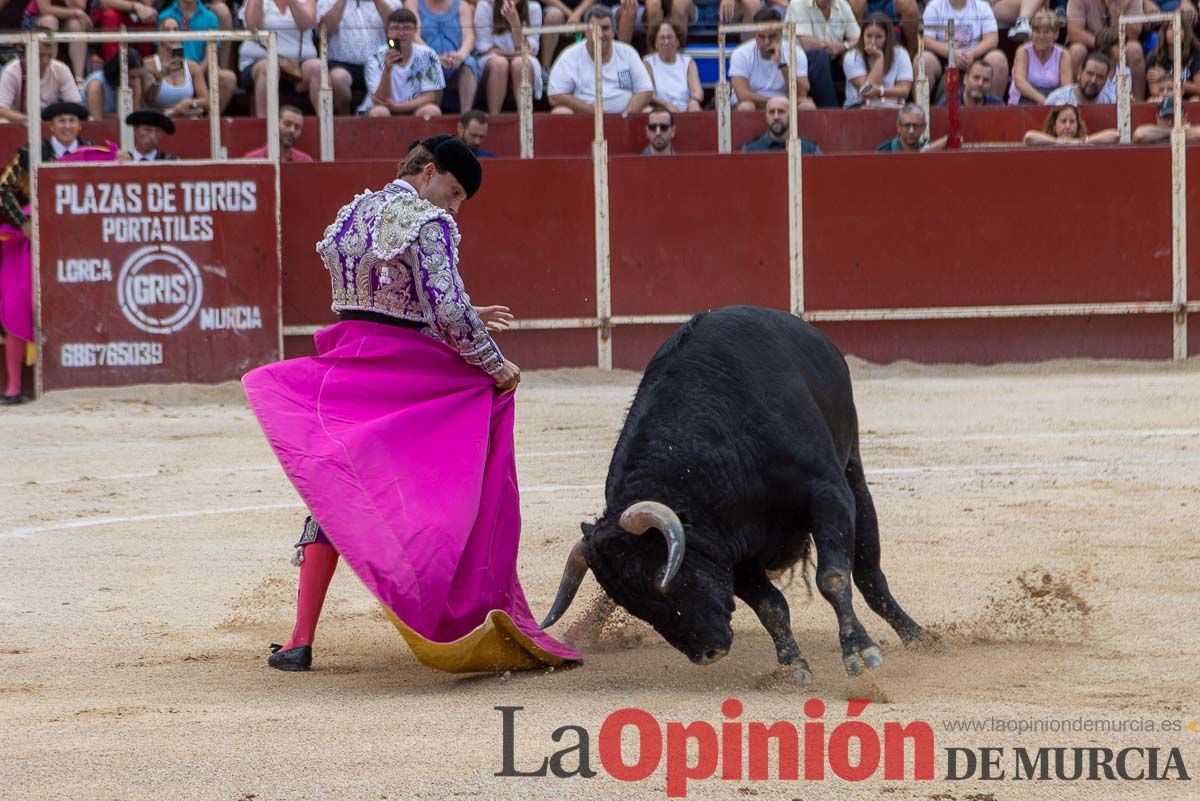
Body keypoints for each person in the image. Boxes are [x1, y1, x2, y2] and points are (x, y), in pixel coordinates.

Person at [242, 135, 580, 674]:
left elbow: (377, 300)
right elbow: (443, 311)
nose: (452, 206)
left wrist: (469, 311)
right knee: (445, 487)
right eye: (452, 191)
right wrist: (495, 365)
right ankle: (450, 607)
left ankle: (299, 640)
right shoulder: (428, 223)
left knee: (336, 490)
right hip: (404, 377)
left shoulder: (353, 215)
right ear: (428, 171)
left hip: (349, 366)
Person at [0, 101, 92, 405]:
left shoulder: (91, 152)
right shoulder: (30, 154)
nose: (67, 126)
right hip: (31, 243)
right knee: (18, 305)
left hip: (78, 245)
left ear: (80, 126)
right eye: (61, 121)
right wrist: (23, 223)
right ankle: (14, 386)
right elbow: (3, 190)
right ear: (50, 126)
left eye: (72, 121)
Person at [547, 5, 654, 115]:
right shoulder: (570, 55)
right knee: (560, 112)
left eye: (605, 28)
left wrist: (625, 116)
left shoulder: (628, 52)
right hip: (584, 118)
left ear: (613, 32)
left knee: (648, 112)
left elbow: (645, 90)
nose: (600, 34)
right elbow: (555, 96)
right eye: (595, 28)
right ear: (586, 32)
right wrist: (597, 114)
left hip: (624, 119)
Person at [239, 0, 322, 118]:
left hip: (297, 65)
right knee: (268, 67)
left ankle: (325, 124)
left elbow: (305, 23)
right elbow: (254, 27)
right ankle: (263, 125)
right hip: (259, 62)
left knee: (317, 67)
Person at [319, 0, 401, 115]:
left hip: (380, 63)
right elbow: (325, 30)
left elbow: (397, 30)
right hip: (341, 63)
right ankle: (346, 123)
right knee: (338, 79)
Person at [921, 0, 1009, 106]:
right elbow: (927, 40)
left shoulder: (982, 7)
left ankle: (995, 109)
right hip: (943, 57)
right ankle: (922, 114)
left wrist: (972, 54)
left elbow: (992, 39)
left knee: (997, 59)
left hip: (976, 57)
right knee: (923, 60)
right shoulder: (934, 7)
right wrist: (951, 54)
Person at [361, 8, 445, 117]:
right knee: (380, 112)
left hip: (415, 109)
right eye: (396, 28)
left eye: (407, 28)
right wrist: (387, 70)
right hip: (381, 109)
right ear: (388, 32)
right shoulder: (375, 57)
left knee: (432, 111)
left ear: (415, 31)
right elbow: (379, 100)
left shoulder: (427, 54)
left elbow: (430, 97)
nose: (401, 33)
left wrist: (397, 108)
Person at [159, 0, 238, 113]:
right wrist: (181, 72)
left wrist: (196, 73)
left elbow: (211, 54)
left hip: (202, 69)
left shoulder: (211, 17)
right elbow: (161, 51)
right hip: (173, 70)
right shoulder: (164, 16)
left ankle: (208, 124)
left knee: (228, 78)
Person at [730, 8, 814, 111]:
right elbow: (742, 94)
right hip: (757, 103)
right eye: (761, 36)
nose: (766, 42)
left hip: (785, 105)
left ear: (781, 33)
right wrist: (775, 102)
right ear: (755, 34)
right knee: (746, 107)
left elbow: (802, 93)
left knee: (807, 106)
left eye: (772, 36)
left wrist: (781, 63)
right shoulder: (741, 53)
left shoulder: (796, 52)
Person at [786, 0, 859, 108]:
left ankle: (856, 104)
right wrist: (833, 47)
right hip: (801, 63)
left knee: (852, 57)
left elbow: (858, 38)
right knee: (820, 56)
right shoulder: (798, 4)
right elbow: (808, 44)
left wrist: (844, 47)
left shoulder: (842, 5)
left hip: (833, 59)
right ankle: (830, 112)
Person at [407, 0, 477, 112]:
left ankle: (466, 116)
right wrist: (435, 57)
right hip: (426, 57)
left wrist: (460, 55)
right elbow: (414, 36)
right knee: (432, 64)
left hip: (455, 60)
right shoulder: (413, 3)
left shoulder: (462, 5)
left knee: (469, 63)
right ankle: (435, 113)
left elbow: (469, 37)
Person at [475, 0, 543, 115]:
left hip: (520, 59)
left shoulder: (534, 8)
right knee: (500, 64)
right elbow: (486, 49)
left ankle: (525, 119)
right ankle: (494, 117)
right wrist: (520, 52)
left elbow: (531, 49)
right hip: (490, 60)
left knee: (520, 63)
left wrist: (514, 21)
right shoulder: (485, 6)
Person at [1066, 0, 1144, 100]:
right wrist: (1105, 43)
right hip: (1090, 45)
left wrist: (1117, 19)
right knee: (1077, 51)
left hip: (1118, 42)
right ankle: (1072, 99)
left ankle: (1138, 102)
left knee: (1134, 49)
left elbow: (1134, 34)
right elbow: (1075, 32)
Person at [0, 37, 82, 125]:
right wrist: (30, 120)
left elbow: (75, 106)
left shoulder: (61, 69)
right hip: (18, 124)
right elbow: (1, 110)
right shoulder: (12, 71)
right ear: (27, 53)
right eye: (40, 55)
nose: (46, 61)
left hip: (52, 125)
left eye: (49, 55)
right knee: (2, 121)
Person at [143, 18, 211, 119]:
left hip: (187, 118)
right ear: (159, 37)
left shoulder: (192, 67)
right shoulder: (148, 64)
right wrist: (159, 77)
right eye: (167, 30)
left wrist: (190, 103)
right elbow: (146, 100)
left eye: (175, 30)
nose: (172, 34)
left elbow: (207, 101)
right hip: (159, 119)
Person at [843, 11, 912, 108]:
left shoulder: (901, 53)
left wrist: (880, 90)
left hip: (893, 104)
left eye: (878, 37)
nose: (873, 41)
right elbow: (866, 93)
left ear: (887, 37)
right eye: (869, 36)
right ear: (862, 35)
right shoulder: (852, 57)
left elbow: (904, 90)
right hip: (859, 105)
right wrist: (879, 59)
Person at [1009, 8, 1072, 104]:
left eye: (1046, 32)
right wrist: (1045, 102)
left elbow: (1066, 87)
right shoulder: (1023, 51)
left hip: (1053, 99)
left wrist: (1052, 102)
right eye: (1037, 31)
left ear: (1056, 34)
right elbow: (1020, 82)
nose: (1041, 37)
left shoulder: (1064, 55)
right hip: (1025, 98)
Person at [23, 0, 93, 82]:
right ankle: (50, 76)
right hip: (37, 18)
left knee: (76, 25)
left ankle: (79, 80)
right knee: (51, 22)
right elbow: (45, 9)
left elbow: (80, 7)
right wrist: (76, 13)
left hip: (66, 18)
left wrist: (76, 11)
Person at [643, 21, 703, 112]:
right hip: (659, 109)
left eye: (670, 37)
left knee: (696, 109)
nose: (666, 42)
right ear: (655, 44)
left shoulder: (688, 62)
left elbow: (697, 90)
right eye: (662, 38)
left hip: (685, 109)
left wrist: (694, 101)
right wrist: (666, 105)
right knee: (645, 110)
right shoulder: (648, 62)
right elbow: (648, 93)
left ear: (677, 42)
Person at [742, 95, 822, 152]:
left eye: (781, 111)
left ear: (792, 116)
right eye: (771, 112)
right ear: (766, 117)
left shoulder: (810, 149)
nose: (776, 117)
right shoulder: (750, 149)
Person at [83, 49, 147, 120]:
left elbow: (135, 118)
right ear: (118, 73)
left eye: (138, 76)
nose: (135, 82)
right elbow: (97, 121)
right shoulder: (96, 85)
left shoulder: (135, 82)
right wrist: (122, 118)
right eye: (131, 77)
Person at [1145, 18, 1200, 101]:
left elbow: (1198, 88)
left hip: (1187, 100)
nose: (1175, 30)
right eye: (1171, 27)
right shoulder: (1155, 56)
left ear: (1186, 32)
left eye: (1179, 27)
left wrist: (1167, 76)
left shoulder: (1195, 55)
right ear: (1164, 32)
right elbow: (1154, 91)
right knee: (1152, 100)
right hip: (1164, 99)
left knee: (1195, 100)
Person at [243, 105, 314, 161]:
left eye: (297, 127)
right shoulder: (251, 159)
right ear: (274, 124)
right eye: (287, 124)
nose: (292, 130)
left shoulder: (305, 161)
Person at [1023, 102, 1119, 143]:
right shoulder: (1047, 141)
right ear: (1054, 125)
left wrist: (1080, 142)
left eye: (1072, 121)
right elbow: (1029, 137)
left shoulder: (1083, 142)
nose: (1068, 126)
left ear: (1078, 125)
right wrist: (1058, 142)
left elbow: (1115, 135)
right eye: (1063, 121)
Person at [93, 0, 157, 59]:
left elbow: (148, 4)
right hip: (111, 16)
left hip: (135, 16)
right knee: (110, 15)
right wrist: (135, 6)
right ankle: (114, 66)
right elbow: (105, 2)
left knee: (149, 16)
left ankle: (144, 66)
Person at [1044, 51, 1115, 104]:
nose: (1093, 80)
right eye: (1090, 74)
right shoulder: (1057, 99)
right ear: (1079, 74)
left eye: (1100, 77)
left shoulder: (1109, 103)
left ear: (1106, 80)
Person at [939, 57, 1005, 106]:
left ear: (990, 84)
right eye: (976, 78)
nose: (980, 84)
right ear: (965, 79)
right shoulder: (947, 105)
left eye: (986, 80)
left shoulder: (997, 106)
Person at [1133, 95, 1200, 142]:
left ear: (1185, 118)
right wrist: (1177, 131)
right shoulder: (1151, 132)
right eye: (1166, 117)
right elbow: (1139, 135)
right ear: (1158, 118)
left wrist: (1163, 136)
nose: (1170, 122)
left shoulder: (1153, 134)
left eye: (1174, 117)